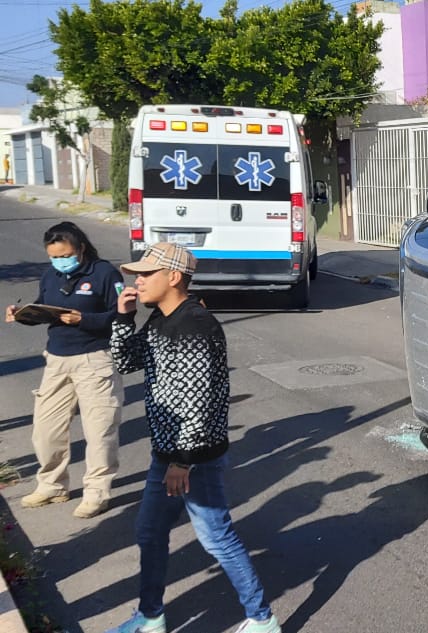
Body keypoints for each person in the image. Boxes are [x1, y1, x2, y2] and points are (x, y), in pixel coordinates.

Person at [105, 242, 279, 633]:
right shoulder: (160, 319)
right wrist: (123, 318)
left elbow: (198, 399)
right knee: (149, 532)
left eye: (146, 274)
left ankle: (262, 619)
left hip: (192, 457)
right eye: (137, 274)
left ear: (173, 277)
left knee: (216, 537)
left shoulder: (195, 325)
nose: (138, 280)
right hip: (167, 453)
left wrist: (182, 461)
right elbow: (126, 361)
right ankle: (151, 616)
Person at [4, 221, 124, 519]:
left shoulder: (105, 273)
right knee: (45, 431)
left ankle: (97, 491)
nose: (60, 261)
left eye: (65, 254)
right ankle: (52, 485)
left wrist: (83, 319)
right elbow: (44, 307)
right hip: (56, 361)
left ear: (81, 248)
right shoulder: (50, 275)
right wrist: (22, 316)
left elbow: (121, 316)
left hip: (95, 359)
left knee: (99, 431)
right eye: (54, 256)